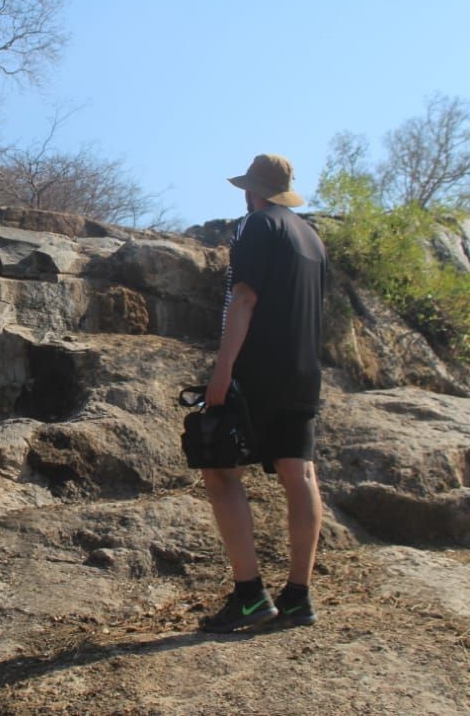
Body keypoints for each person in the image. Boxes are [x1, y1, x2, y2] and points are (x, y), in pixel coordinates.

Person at [198, 153, 328, 633]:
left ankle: (250, 594)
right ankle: (298, 596)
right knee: (301, 476)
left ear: (252, 190)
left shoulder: (255, 226)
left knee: (219, 470)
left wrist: (223, 370)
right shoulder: (311, 237)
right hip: (303, 371)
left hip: (259, 370)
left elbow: (245, 299)